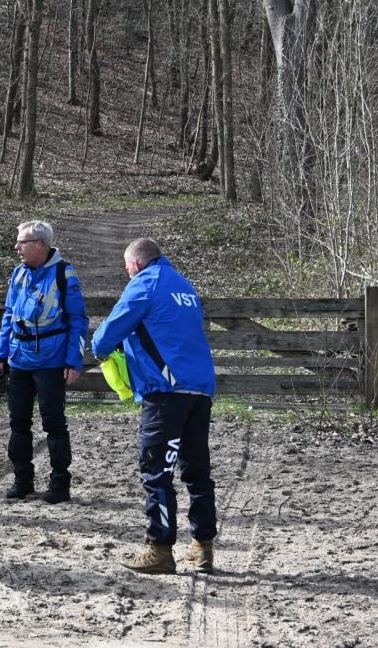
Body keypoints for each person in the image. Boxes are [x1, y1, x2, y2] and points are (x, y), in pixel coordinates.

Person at [91, 238, 217, 574]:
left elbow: (106, 335)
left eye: (126, 267)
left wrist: (100, 350)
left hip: (165, 390)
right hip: (199, 388)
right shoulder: (184, 286)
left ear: (135, 264)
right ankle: (202, 547)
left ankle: (159, 548)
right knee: (196, 470)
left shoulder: (145, 284)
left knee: (156, 470)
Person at [0, 221, 88, 503]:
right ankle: (23, 480)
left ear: (40, 245)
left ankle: (59, 484)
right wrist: (0, 355)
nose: (16, 248)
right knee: (18, 422)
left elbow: (78, 320)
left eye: (22, 242)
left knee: (54, 423)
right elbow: (9, 315)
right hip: (19, 360)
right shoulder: (19, 273)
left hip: (51, 360)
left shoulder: (64, 274)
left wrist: (73, 361)